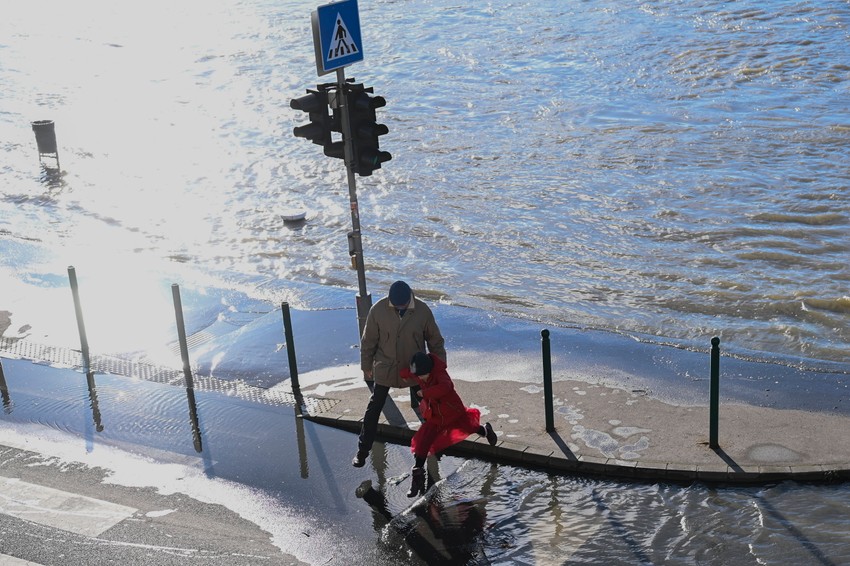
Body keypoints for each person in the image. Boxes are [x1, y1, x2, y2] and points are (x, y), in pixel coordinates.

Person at [353, 280, 447, 468]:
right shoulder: (378, 310)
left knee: (429, 411)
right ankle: (362, 451)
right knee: (373, 410)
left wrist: (439, 368)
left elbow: (435, 341)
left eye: (402, 305)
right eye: (396, 305)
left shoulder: (422, 310)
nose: (400, 308)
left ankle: (435, 448)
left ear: (410, 298)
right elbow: (368, 341)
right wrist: (366, 365)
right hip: (385, 368)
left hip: (415, 371)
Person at [400, 351, 497, 498]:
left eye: (421, 376)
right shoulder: (421, 373)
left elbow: (446, 387)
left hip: (453, 411)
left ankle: (486, 431)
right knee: (422, 443)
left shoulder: (440, 374)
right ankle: (417, 478)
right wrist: (401, 373)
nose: (419, 378)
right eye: (418, 376)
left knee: (470, 427)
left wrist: (425, 393)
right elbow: (410, 373)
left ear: (429, 370)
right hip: (436, 417)